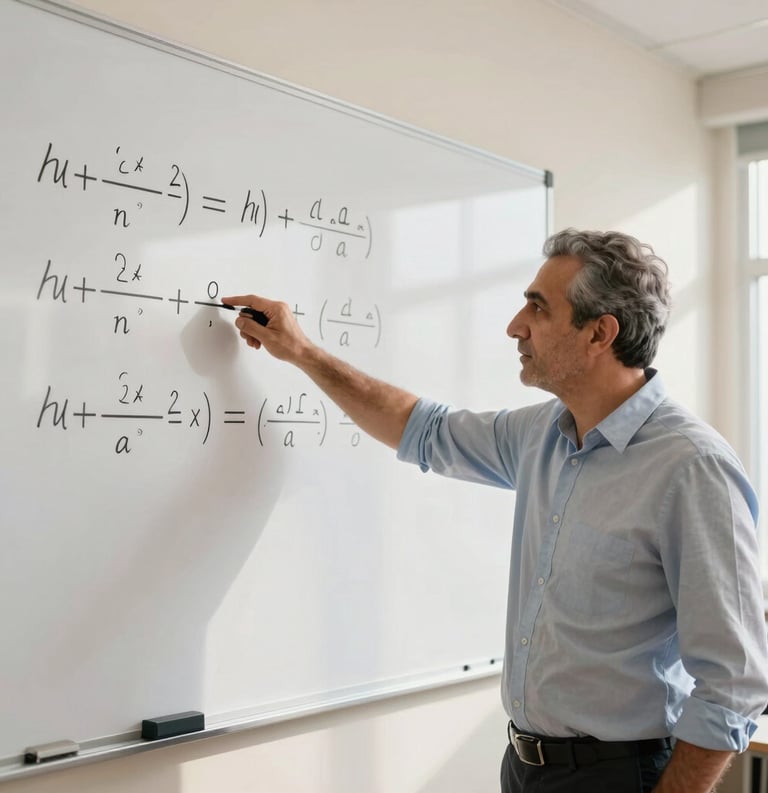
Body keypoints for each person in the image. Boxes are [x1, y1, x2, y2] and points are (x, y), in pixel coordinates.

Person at [223, 228, 768, 793]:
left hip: (620, 776)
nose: (515, 326)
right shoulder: (541, 435)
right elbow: (421, 428)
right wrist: (303, 352)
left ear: (599, 333)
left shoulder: (692, 467)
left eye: (538, 307)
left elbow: (733, 685)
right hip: (524, 768)